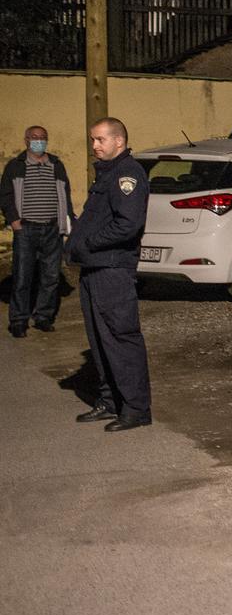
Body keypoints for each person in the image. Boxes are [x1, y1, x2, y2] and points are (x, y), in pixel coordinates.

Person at [68, 117, 152, 431]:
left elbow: (127, 224)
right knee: (100, 341)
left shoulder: (127, 174)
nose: (94, 146)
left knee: (120, 339)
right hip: (95, 269)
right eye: (92, 140)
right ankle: (110, 401)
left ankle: (135, 409)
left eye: (100, 140)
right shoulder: (107, 174)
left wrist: (88, 243)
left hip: (112, 271)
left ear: (119, 141)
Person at [3, 125, 74, 337]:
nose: (39, 141)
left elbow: (65, 195)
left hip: (52, 229)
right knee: (23, 277)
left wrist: (66, 222)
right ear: (26, 140)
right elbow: (5, 195)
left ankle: (43, 316)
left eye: (43, 137)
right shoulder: (15, 166)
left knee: (51, 276)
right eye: (34, 137)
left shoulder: (56, 164)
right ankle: (18, 320)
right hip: (26, 229)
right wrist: (14, 221)